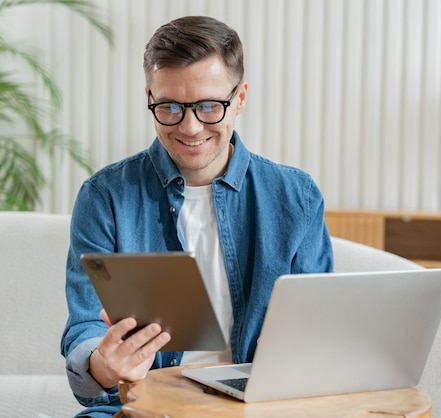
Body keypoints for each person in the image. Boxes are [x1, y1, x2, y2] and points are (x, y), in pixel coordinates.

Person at [61, 15, 334, 417]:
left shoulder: (296, 197)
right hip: (144, 406)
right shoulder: (105, 197)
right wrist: (105, 366)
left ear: (239, 98)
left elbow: (319, 329)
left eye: (209, 106)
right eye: (169, 106)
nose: (189, 127)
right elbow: (86, 329)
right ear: (149, 97)